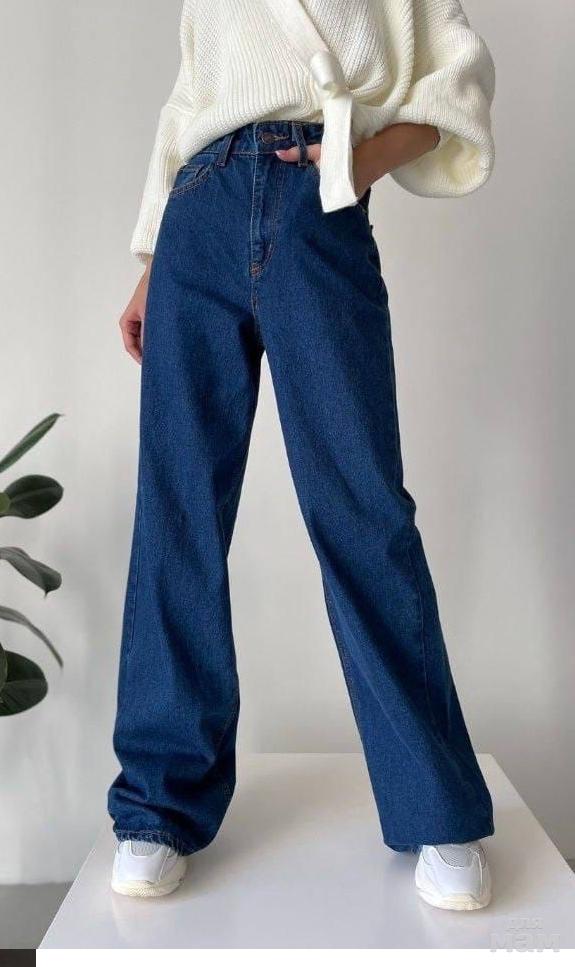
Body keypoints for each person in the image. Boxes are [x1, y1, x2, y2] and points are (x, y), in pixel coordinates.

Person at [108, 0, 496, 911]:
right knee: (177, 510)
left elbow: (455, 79)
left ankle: (435, 806)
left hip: (315, 200)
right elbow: (188, 102)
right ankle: (157, 806)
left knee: (363, 508)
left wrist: (357, 159)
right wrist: (152, 260)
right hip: (196, 215)